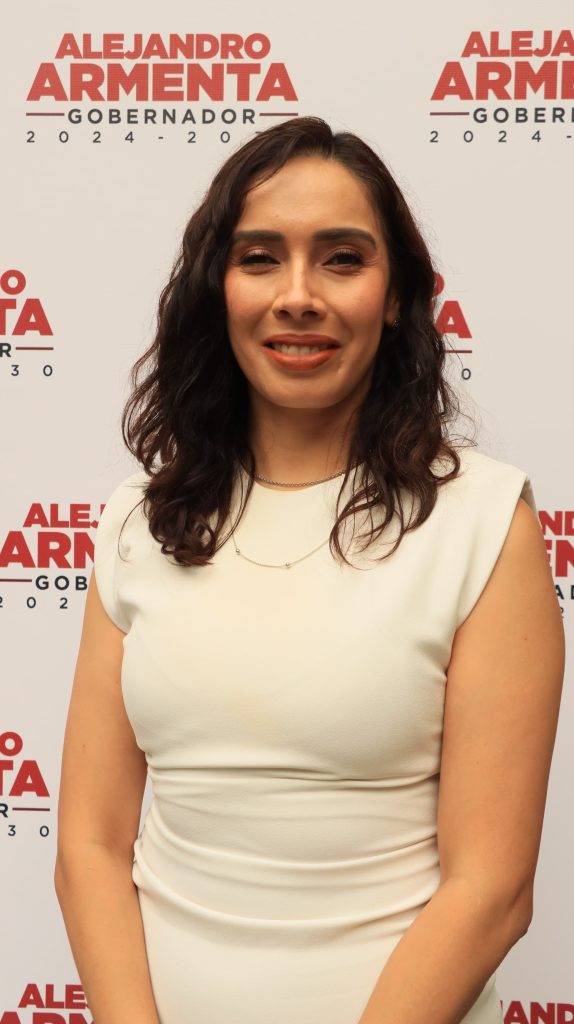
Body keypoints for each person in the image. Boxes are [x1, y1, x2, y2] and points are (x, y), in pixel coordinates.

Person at [54, 116, 564, 1024]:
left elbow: (491, 891)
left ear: (395, 296)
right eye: (259, 258)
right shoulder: (138, 520)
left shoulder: (483, 522)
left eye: (341, 259)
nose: (298, 296)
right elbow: (89, 846)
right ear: (217, 289)